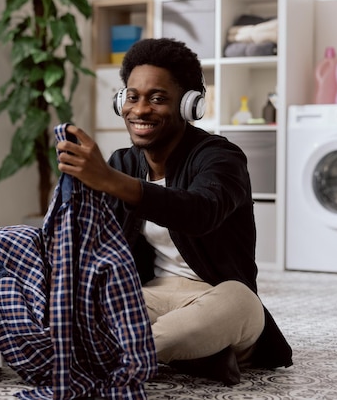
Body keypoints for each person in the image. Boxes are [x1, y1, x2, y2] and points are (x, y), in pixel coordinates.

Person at [56, 37, 292, 385]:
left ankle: (124, 356)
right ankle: (192, 355)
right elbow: (93, 241)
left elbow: (200, 212)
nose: (140, 110)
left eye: (157, 98)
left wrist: (111, 181)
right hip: (149, 294)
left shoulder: (220, 157)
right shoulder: (123, 162)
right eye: (132, 97)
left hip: (216, 297)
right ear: (120, 101)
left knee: (240, 301)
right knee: (80, 304)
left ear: (189, 105)